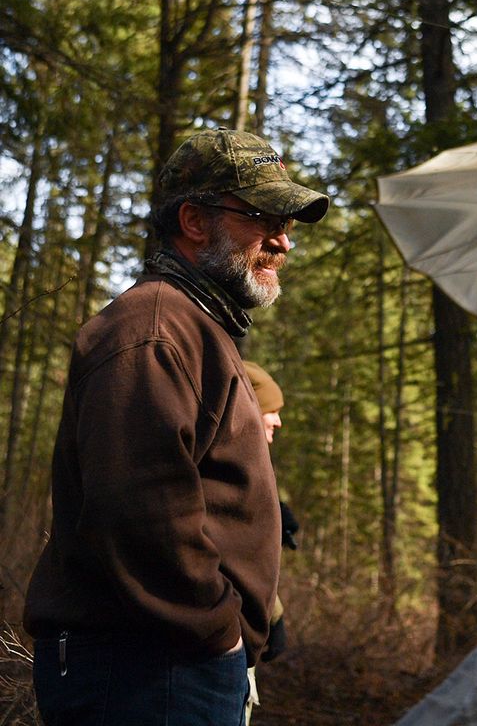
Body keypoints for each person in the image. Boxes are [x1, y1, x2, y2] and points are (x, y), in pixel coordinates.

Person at [23, 128, 329, 726]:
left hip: (171, 662)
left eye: (287, 223)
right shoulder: (154, 329)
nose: (284, 241)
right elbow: (140, 513)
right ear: (194, 220)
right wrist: (220, 633)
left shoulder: (194, 327)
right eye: (263, 217)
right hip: (148, 666)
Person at [240, 360, 297, 725]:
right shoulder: (224, 472)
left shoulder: (253, 469)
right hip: (218, 648)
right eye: (269, 410)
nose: (277, 421)